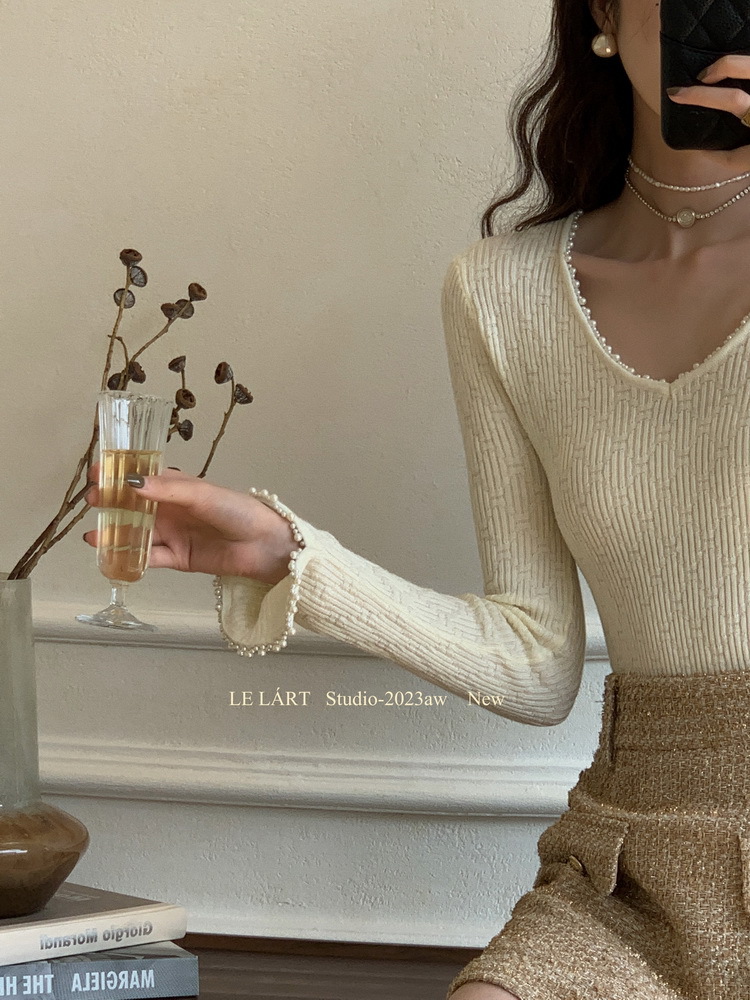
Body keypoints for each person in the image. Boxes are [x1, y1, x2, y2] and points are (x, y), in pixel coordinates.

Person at [84, 0, 750, 995]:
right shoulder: (502, 293)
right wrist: (292, 558)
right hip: (635, 870)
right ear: (605, 13)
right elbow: (536, 662)